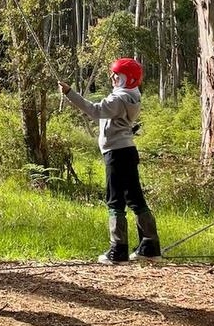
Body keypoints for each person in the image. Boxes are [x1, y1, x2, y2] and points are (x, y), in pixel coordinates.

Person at [58, 58, 161, 265]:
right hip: (127, 151)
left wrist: (70, 93)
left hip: (116, 153)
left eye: (117, 75)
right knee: (135, 198)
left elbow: (94, 110)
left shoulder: (119, 99)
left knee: (115, 200)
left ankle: (118, 250)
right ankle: (150, 246)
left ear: (126, 78)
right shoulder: (133, 95)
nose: (113, 78)